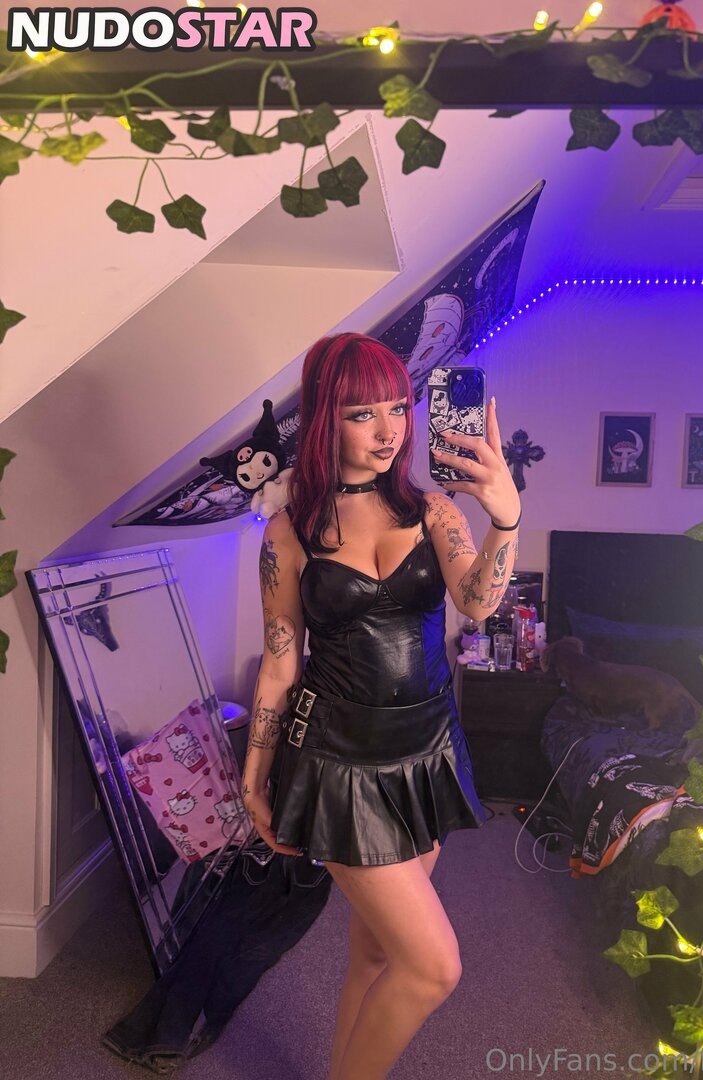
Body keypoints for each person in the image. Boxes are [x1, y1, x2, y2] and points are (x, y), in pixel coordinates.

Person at [241, 332, 521, 1080]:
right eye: (364, 413)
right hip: (341, 764)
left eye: (398, 407)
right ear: (326, 418)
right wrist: (255, 773)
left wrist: (505, 519)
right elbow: (280, 661)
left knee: (375, 954)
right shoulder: (289, 532)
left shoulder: (434, 510)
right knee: (432, 967)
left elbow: (479, 603)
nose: (390, 430)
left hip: (426, 752)